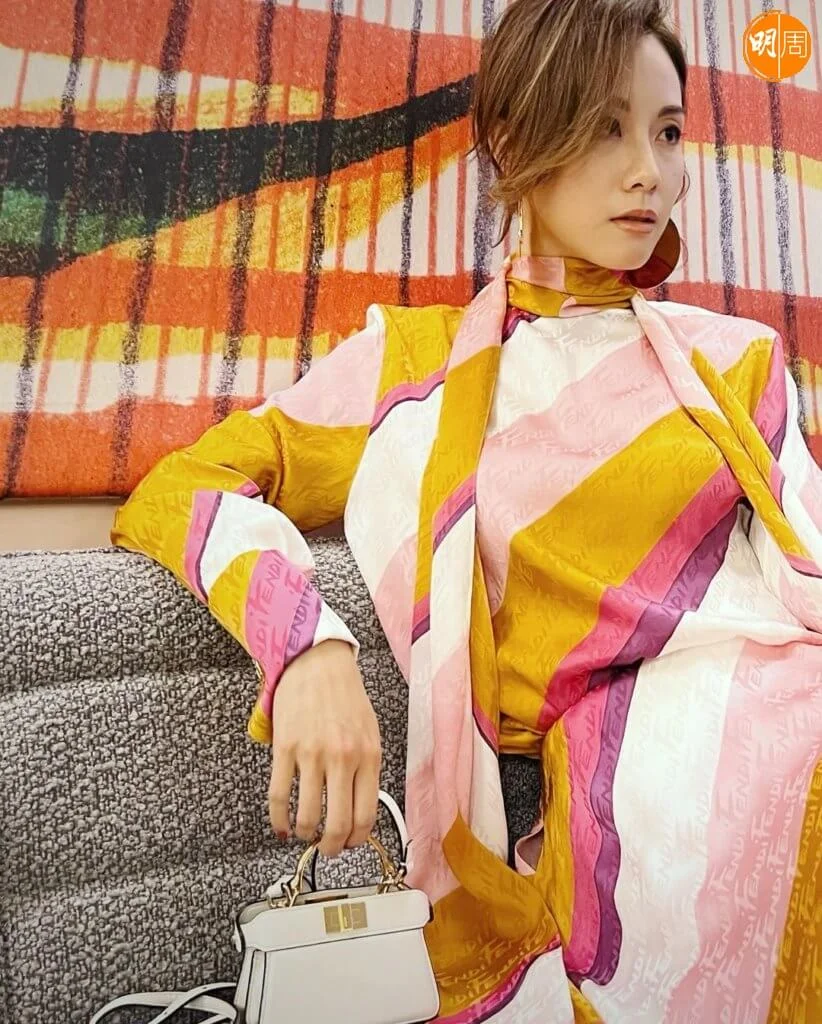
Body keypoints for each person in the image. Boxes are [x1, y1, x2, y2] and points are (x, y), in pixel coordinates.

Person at [111, 0, 822, 1019]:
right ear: (518, 143)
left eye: (667, 132)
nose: (648, 172)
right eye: (605, 128)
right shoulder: (416, 366)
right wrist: (305, 644)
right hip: (643, 791)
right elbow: (185, 487)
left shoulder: (739, 362)